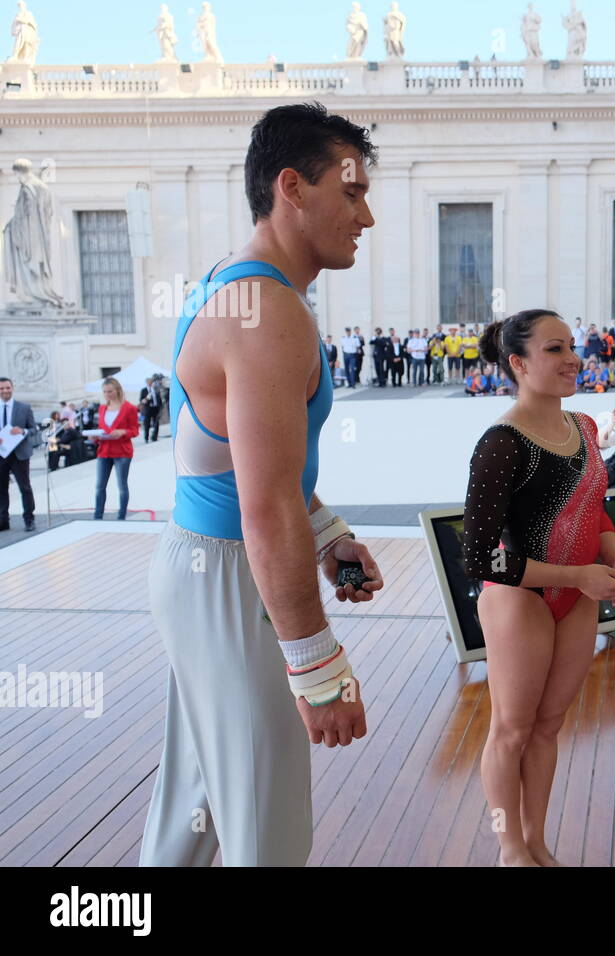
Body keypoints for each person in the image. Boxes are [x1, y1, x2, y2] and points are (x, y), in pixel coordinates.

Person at [140, 102, 384, 868]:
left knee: (199, 804)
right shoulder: (269, 313)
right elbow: (266, 503)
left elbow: (258, 470)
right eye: (351, 192)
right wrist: (318, 668)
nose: (366, 216)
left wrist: (331, 536)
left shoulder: (230, 282)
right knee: (266, 832)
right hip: (227, 577)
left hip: (202, 567)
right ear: (292, 187)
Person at [462, 309, 615, 866]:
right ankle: (509, 848)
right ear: (518, 363)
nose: (572, 360)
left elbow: (594, 508)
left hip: (578, 596)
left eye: (572, 347)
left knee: (548, 727)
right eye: (555, 350)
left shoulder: (583, 427)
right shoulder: (501, 442)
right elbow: (479, 556)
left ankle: (536, 839)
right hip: (521, 598)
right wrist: (576, 576)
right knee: (511, 731)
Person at [89, 377, 138, 521]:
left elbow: (135, 430)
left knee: (122, 485)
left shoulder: (129, 408)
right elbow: (102, 429)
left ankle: (121, 516)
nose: (107, 394)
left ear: (117, 390)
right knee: (99, 486)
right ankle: (97, 517)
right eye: (104, 392)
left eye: (110, 391)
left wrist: (122, 432)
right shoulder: (102, 408)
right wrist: (96, 436)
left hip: (122, 451)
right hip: (104, 451)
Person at [0, 377, 39, 532]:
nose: (4, 391)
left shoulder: (24, 407)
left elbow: (34, 429)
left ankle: (29, 519)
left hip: (19, 454)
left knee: (25, 487)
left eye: (7, 388)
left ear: (12, 388)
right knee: (1, 489)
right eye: (1, 389)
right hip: (1, 454)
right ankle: (3, 520)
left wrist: (22, 431)